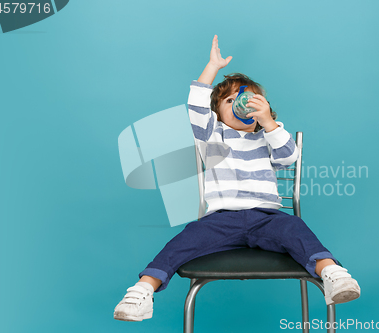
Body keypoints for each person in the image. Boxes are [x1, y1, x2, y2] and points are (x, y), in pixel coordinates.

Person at [114, 35, 360, 322]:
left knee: (295, 228)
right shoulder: (212, 135)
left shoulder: (268, 136)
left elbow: (287, 157)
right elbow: (196, 106)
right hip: (220, 220)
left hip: (267, 217)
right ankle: (143, 290)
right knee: (183, 241)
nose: (240, 103)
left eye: (249, 99)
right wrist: (212, 67)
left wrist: (269, 123)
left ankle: (333, 273)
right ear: (216, 112)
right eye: (229, 100)